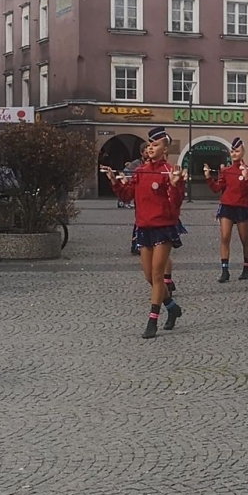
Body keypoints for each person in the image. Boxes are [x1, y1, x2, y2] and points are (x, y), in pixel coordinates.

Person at [103, 126, 185, 338]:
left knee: (158, 275)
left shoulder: (170, 171)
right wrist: (115, 182)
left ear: (165, 150)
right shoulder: (139, 172)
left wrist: (175, 185)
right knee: (149, 276)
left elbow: (176, 204)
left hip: (163, 228)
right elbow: (127, 196)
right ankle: (172, 307)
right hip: (143, 227)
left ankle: (152, 320)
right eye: (149, 144)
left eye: (155, 145)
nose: (150, 148)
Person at [205, 138, 248, 282]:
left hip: (243, 207)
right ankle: (225, 270)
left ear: (243, 152)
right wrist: (208, 177)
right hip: (227, 206)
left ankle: (246, 267)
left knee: (244, 239)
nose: (234, 153)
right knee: (225, 237)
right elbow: (217, 188)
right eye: (232, 151)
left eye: (237, 151)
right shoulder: (226, 171)